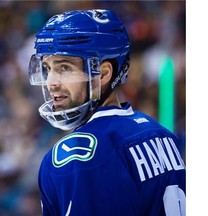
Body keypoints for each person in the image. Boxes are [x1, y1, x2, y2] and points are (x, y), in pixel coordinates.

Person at [28, 9, 186, 216]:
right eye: (48, 68)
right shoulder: (162, 135)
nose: (51, 83)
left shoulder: (77, 156)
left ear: (102, 74)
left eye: (64, 68)